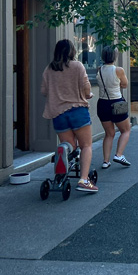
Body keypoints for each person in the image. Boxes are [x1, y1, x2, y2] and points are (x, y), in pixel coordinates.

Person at [41, 39, 97, 193]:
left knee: (69, 146)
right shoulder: (77, 66)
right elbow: (86, 87)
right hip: (77, 111)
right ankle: (84, 180)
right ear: (71, 51)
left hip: (58, 113)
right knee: (86, 145)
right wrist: (89, 94)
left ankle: (62, 148)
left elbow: (44, 91)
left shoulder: (49, 69)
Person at [96, 46, 132, 169]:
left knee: (109, 133)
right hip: (116, 102)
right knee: (126, 130)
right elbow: (125, 84)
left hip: (102, 103)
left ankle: (105, 161)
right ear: (114, 56)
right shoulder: (119, 70)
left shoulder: (99, 69)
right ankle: (119, 154)